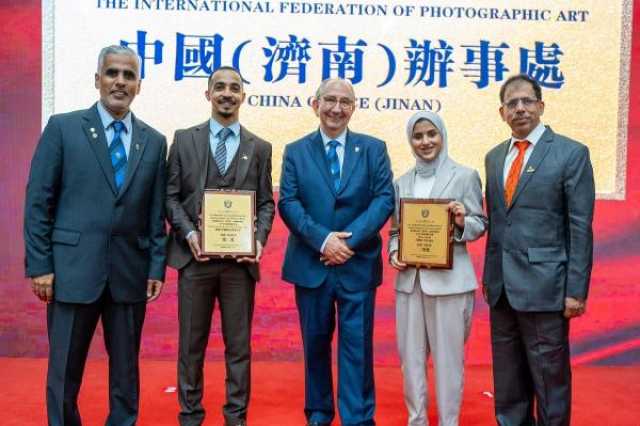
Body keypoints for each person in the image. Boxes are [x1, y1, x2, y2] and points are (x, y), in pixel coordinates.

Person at [24, 45, 167, 426]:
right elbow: (39, 201)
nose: (120, 82)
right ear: (97, 79)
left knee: (126, 372)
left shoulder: (153, 141)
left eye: (128, 75)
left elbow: (155, 213)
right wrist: (40, 266)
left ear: (139, 85)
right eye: (112, 73)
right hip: (71, 271)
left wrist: (156, 266)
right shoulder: (63, 128)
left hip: (129, 273)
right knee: (65, 370)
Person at [278, 78, 394, 426]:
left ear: (353, 108)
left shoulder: (373, 149)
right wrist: (324, 240)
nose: (336, 108)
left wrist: (348, 241)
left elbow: (383, 198)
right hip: (311, 263)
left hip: (356, 265)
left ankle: (358, 417)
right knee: (315, 343)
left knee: (357, 346)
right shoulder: (296, 151)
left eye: (345, 101)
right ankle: (318, 412)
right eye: (329, 100)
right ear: (315, 104)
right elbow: (288, 201)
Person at [483, 74, 595, 426]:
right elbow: (500, 222)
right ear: (502, 112)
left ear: (541, 106)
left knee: (550, 380)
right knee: (508, 381)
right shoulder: (493, 157)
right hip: (501, 289)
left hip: (546, 288)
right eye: (512, 104)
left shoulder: (570, 154)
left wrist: (576, 290)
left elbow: (579, 226)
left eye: (527, 101)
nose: (520, 109)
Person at [166, 66, 275, 426]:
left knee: (238, 348)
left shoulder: (260, 147)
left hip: (239, 265)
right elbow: (171, 197)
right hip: (194, 260)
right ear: (208, 94)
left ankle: (235, 418)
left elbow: (265, 204)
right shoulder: (183, 139)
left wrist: (258, 239)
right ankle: (190, 416)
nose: (227, 93)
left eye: (234, 88)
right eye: (220, 87)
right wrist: (189, 234)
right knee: (191, 347)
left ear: (243, 96)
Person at [388, 111, 487, 426]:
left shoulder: (465, 175)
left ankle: (448, 422)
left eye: (432, 134)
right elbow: (395, 233)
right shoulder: (400, 182)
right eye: (418, 136)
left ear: (442, 135)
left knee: (448, 363)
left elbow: (480, 223)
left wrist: (460, 223)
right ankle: (416, 420)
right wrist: (394, 253)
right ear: (410, 141)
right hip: (410, 283)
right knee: (411, 362)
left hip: (450, 283)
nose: (425, 141)